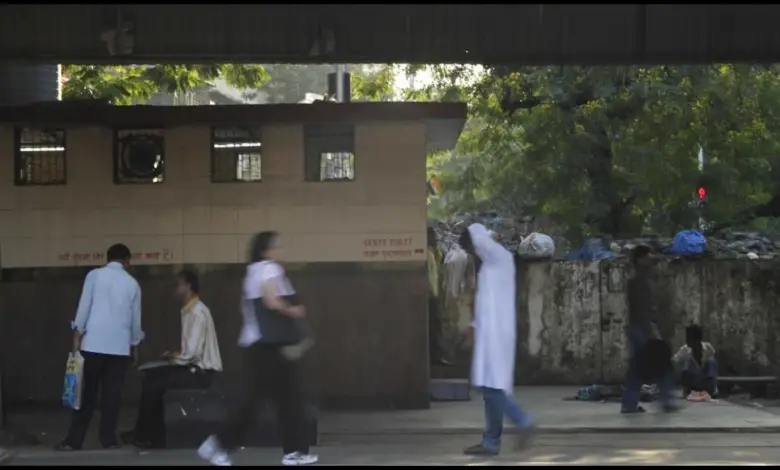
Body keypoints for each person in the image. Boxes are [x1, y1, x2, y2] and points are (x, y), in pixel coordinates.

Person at [197, 231, 317, 467]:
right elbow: (271, 300)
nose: (280, 250)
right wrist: (293, 311)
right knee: (274, 400)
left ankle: (294, 451)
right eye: (276, 246)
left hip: (258, 346)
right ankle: (219, 445)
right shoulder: (270, 268)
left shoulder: (252, 271)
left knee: (284, 399)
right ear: (265, 250)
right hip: (270, 346)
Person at [57, 243, 144, 451]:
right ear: (126, 260)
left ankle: (73, 441)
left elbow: (84, 306)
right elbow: (135, 321)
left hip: (93, 344)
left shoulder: (94, 276)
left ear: (108, 258)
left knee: (87, 394)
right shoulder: (133, 284)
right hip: (119, 348)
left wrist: (77, 334)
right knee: (112, 396)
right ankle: (109, 440)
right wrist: (135, 345)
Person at [459, 224, 535, 456]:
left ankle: (522, 422)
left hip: (494, 335)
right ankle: (491, 441)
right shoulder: (492, 266)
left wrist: (476, 329)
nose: (474, 253)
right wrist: (473, 328)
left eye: (472, 248)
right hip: (491, 333)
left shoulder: (497, 262)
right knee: (490, 389)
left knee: (492, 389)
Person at [125, 269, 223, 449]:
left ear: (189, 286)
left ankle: (145, 435)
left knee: (153, 385)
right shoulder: (189, 311)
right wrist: (174, 356)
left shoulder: (197, 312)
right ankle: (147, 433)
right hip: (193, 368)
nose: (175, 289)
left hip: (200, 373)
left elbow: (191, 353)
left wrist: (173, 357)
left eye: (178, 285)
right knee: (151, 379)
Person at [620, 245, 677, 414]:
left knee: (640, 368)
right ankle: (665, 401)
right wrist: (652, 333)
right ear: (639, 259)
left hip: (642, 329)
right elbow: (641, 310)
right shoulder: (638, 281)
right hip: (643, 330)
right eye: (647, 255)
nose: (651, 257)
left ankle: (630, 404)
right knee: (660, 366)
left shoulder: (644, 279)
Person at [427, 226, 451, 366]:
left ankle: (437, 355)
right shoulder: (426, 254)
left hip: (434, 294)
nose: (435, 239)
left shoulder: (434, 253)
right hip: (430, 295)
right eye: (433, 236)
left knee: (436, 326)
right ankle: (436, 356)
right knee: (434, 327)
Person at [673, 324, 718, 398]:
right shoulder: (685, 350)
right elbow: (675, 359)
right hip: (693, 383)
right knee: (688, 362)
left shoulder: (708, 348)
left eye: (689, 338)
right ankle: (687, 391)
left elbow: (713, 369)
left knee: (712, 361)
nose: (686, 340)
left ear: (697, 339)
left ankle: (712, 390)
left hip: (706, 381)